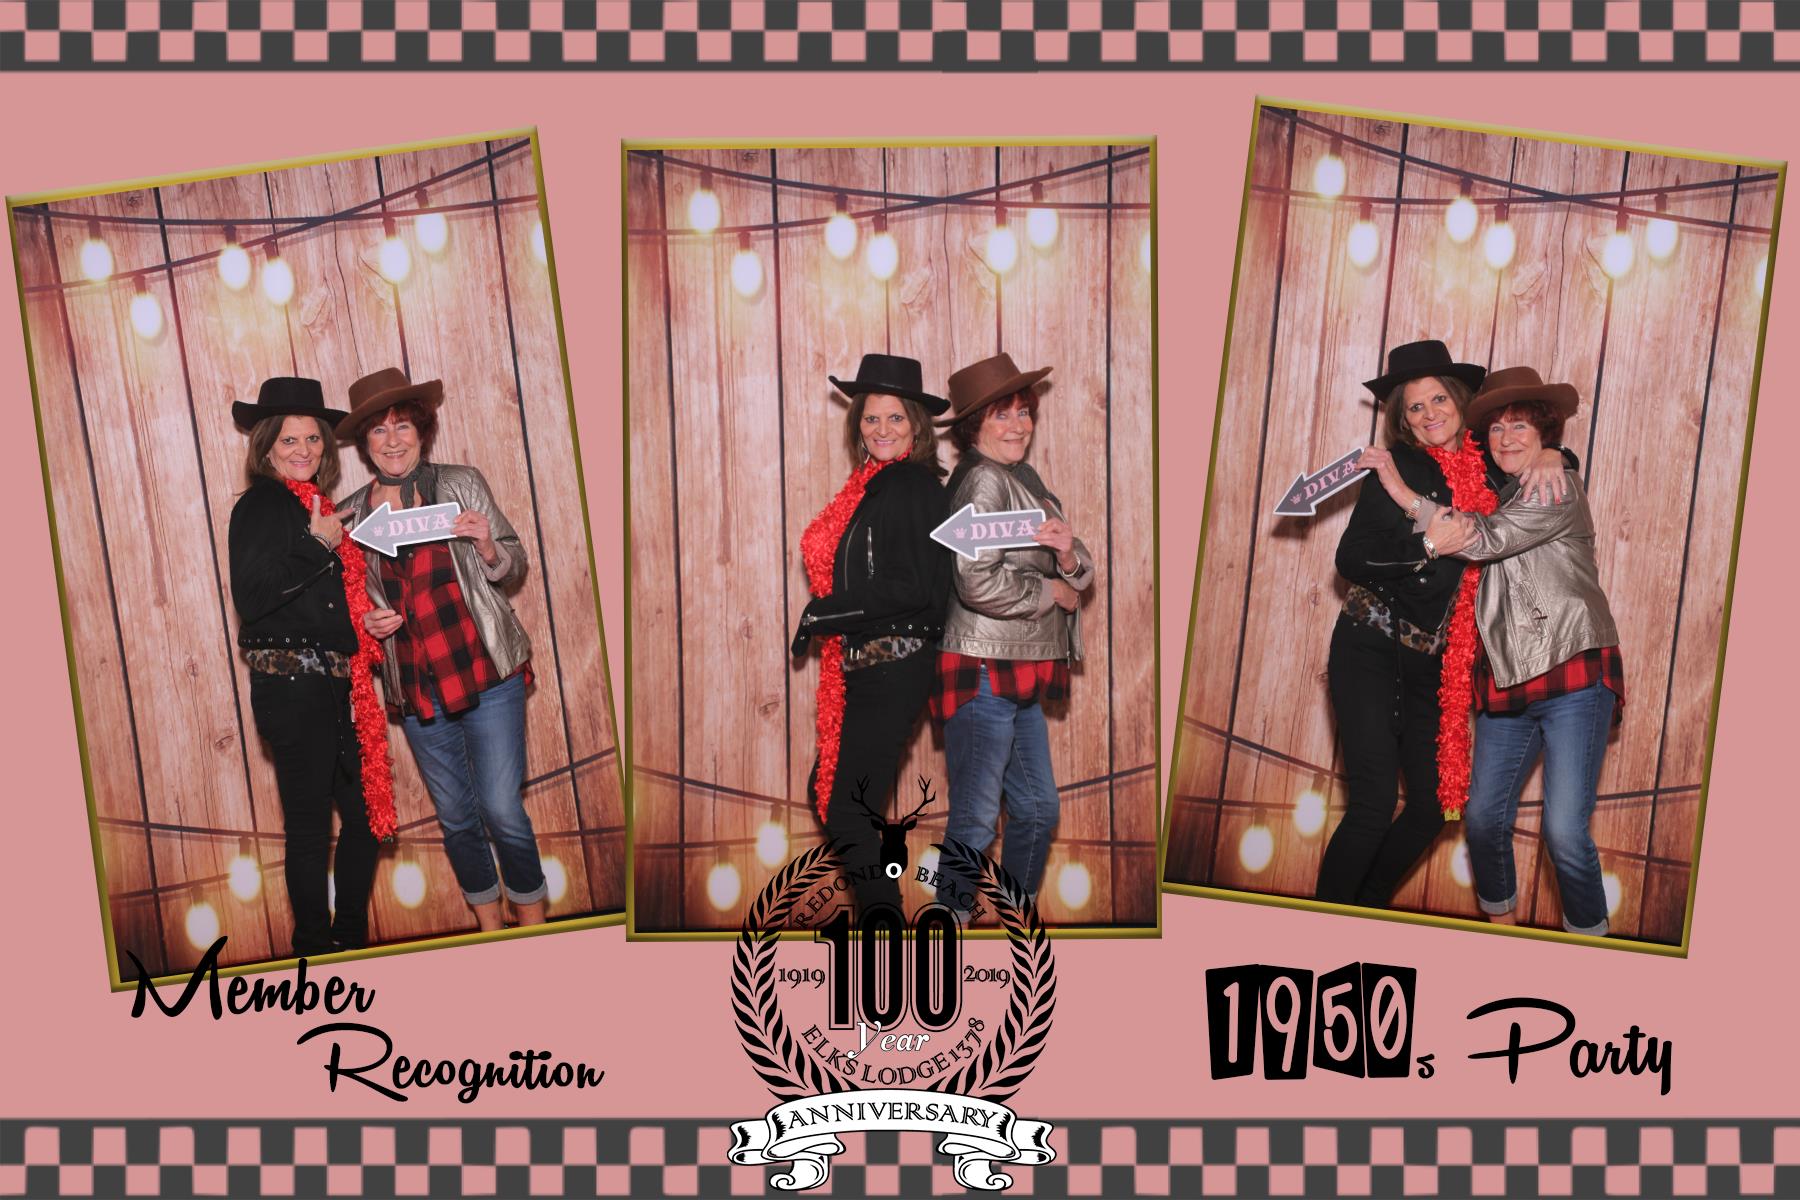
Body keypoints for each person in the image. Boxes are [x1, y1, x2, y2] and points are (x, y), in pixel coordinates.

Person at [1316, 341, 1569, 908]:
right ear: (1403, 420)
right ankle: (1323, 921)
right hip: (1370, 647)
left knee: (1433, 807)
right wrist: (1427, 546)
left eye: (1438, 399)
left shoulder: (1493, 469)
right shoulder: (1399, 467)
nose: (1430, 414)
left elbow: (1538, 464)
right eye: (1415, 407)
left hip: (1433, 664)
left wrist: (1555, 454)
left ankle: (1366, 906)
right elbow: (1351, 559)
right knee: (1373, 804)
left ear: (1459, 401)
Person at [1411, 368, 1625, 936]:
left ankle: (1591, 947)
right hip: (1507, 679)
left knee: (1564, 832)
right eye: (1498, 428)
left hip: (1572, 672)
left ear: (1544, 433)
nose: (1508, 438)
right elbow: (1487, 518)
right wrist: (1556, 452)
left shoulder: (1555, 486)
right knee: (1482, 819)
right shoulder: (1504, 489)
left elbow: (1485, 538)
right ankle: (1503, 935)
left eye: (1522, 426)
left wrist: (1405, 498)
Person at [336, 367, 548, 932]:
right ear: (364, 443)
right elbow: (348, 602)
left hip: (485, 670)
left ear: (421, 430)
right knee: (455, 817)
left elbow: (513, 564)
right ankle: (490, 930)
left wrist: (488, 546)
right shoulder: (350, 516)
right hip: (416, 684)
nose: (392, 441)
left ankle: (534, 926)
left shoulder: (460, 483)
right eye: (378, 430)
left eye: (402, 426)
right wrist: (365, 622)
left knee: (501, 807)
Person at [932, 353, 1093, 915]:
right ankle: (946, 925)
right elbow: (975, 580)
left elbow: (1080, 561)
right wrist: (1052, 591)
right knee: (977, 816)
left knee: (1038, 810)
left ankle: (1016, 919)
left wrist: (1068, 561)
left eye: (1023, 412)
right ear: (974, 427)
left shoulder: (1026, 481)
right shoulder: (983, 479)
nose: (1018, 425)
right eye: (1001, 415)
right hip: (982, 665)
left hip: (1018, 666)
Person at [792, 354, 952, 916]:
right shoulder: (874, 487)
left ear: (917, 426)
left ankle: (884, 926)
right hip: (871, 666)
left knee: (845, 811)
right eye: (871, 418)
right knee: (834, 797)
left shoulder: (909, 485)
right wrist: (830, 618)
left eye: (895, 418)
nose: (882, 429)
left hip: (894, 664)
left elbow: (909, 587)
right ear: (857, 424)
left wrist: (822, 614)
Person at [228, 377, 380, 958]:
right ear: (266, 446)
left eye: (313, 438)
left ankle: (348, 937)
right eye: (289, 439)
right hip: (292, 687)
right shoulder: (262, 505)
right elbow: (253, 597)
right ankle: (315, 950)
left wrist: (366, 625)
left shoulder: (315, 507)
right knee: (312, 828)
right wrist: (318, 545)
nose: (303, 449)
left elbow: (321, 606)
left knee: (365, 819)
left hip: (332, 686)